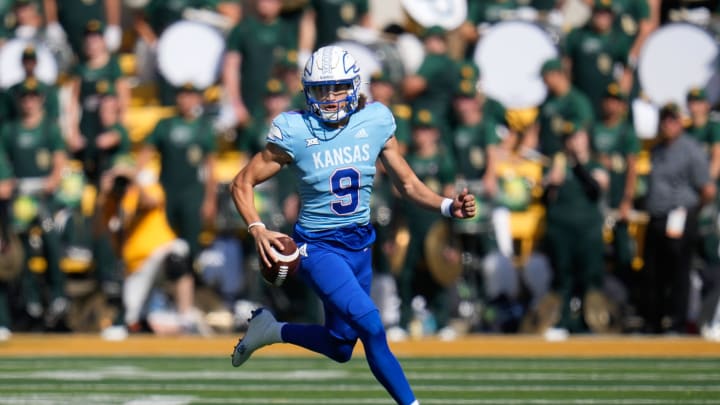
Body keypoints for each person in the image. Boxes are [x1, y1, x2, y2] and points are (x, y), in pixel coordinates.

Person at [229, 46, 476, 405]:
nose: (329, 98)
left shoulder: (375, 121)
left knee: (341, 346)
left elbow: (407, 184)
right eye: (320, 89)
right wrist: (257, 227)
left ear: (355, 86)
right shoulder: (295, 129)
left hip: (360, 246)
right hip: (318, 247)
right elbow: (241, 182)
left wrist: (447, 205)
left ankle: (271, 330)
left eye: (338, 88)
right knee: (373, 326)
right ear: (307, 90)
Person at [642, 103, 716, 334]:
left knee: (679, 272)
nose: (667, 124)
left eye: (672, 120)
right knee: (654, 272)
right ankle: (654, 321)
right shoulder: (657, 150)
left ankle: (677, 322)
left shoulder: (691, 150)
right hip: (657, 217)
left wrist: (690, 210)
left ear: (680, 122)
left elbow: (707, 189)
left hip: (681, 216)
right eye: (664, 120)